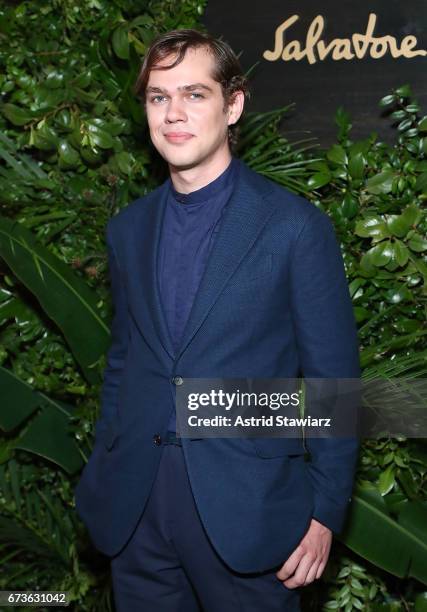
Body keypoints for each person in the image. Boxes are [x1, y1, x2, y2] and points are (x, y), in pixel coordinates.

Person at [74, 28, 360, 611]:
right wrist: (104, 467)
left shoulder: (294, 227)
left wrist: (326, 512)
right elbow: (125, 361)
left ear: (233, 104)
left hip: (250, 517)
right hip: (135, 512)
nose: (173, 114)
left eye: (194, 94)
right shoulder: (128, 229)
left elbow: (336, 384)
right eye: (158, 97)